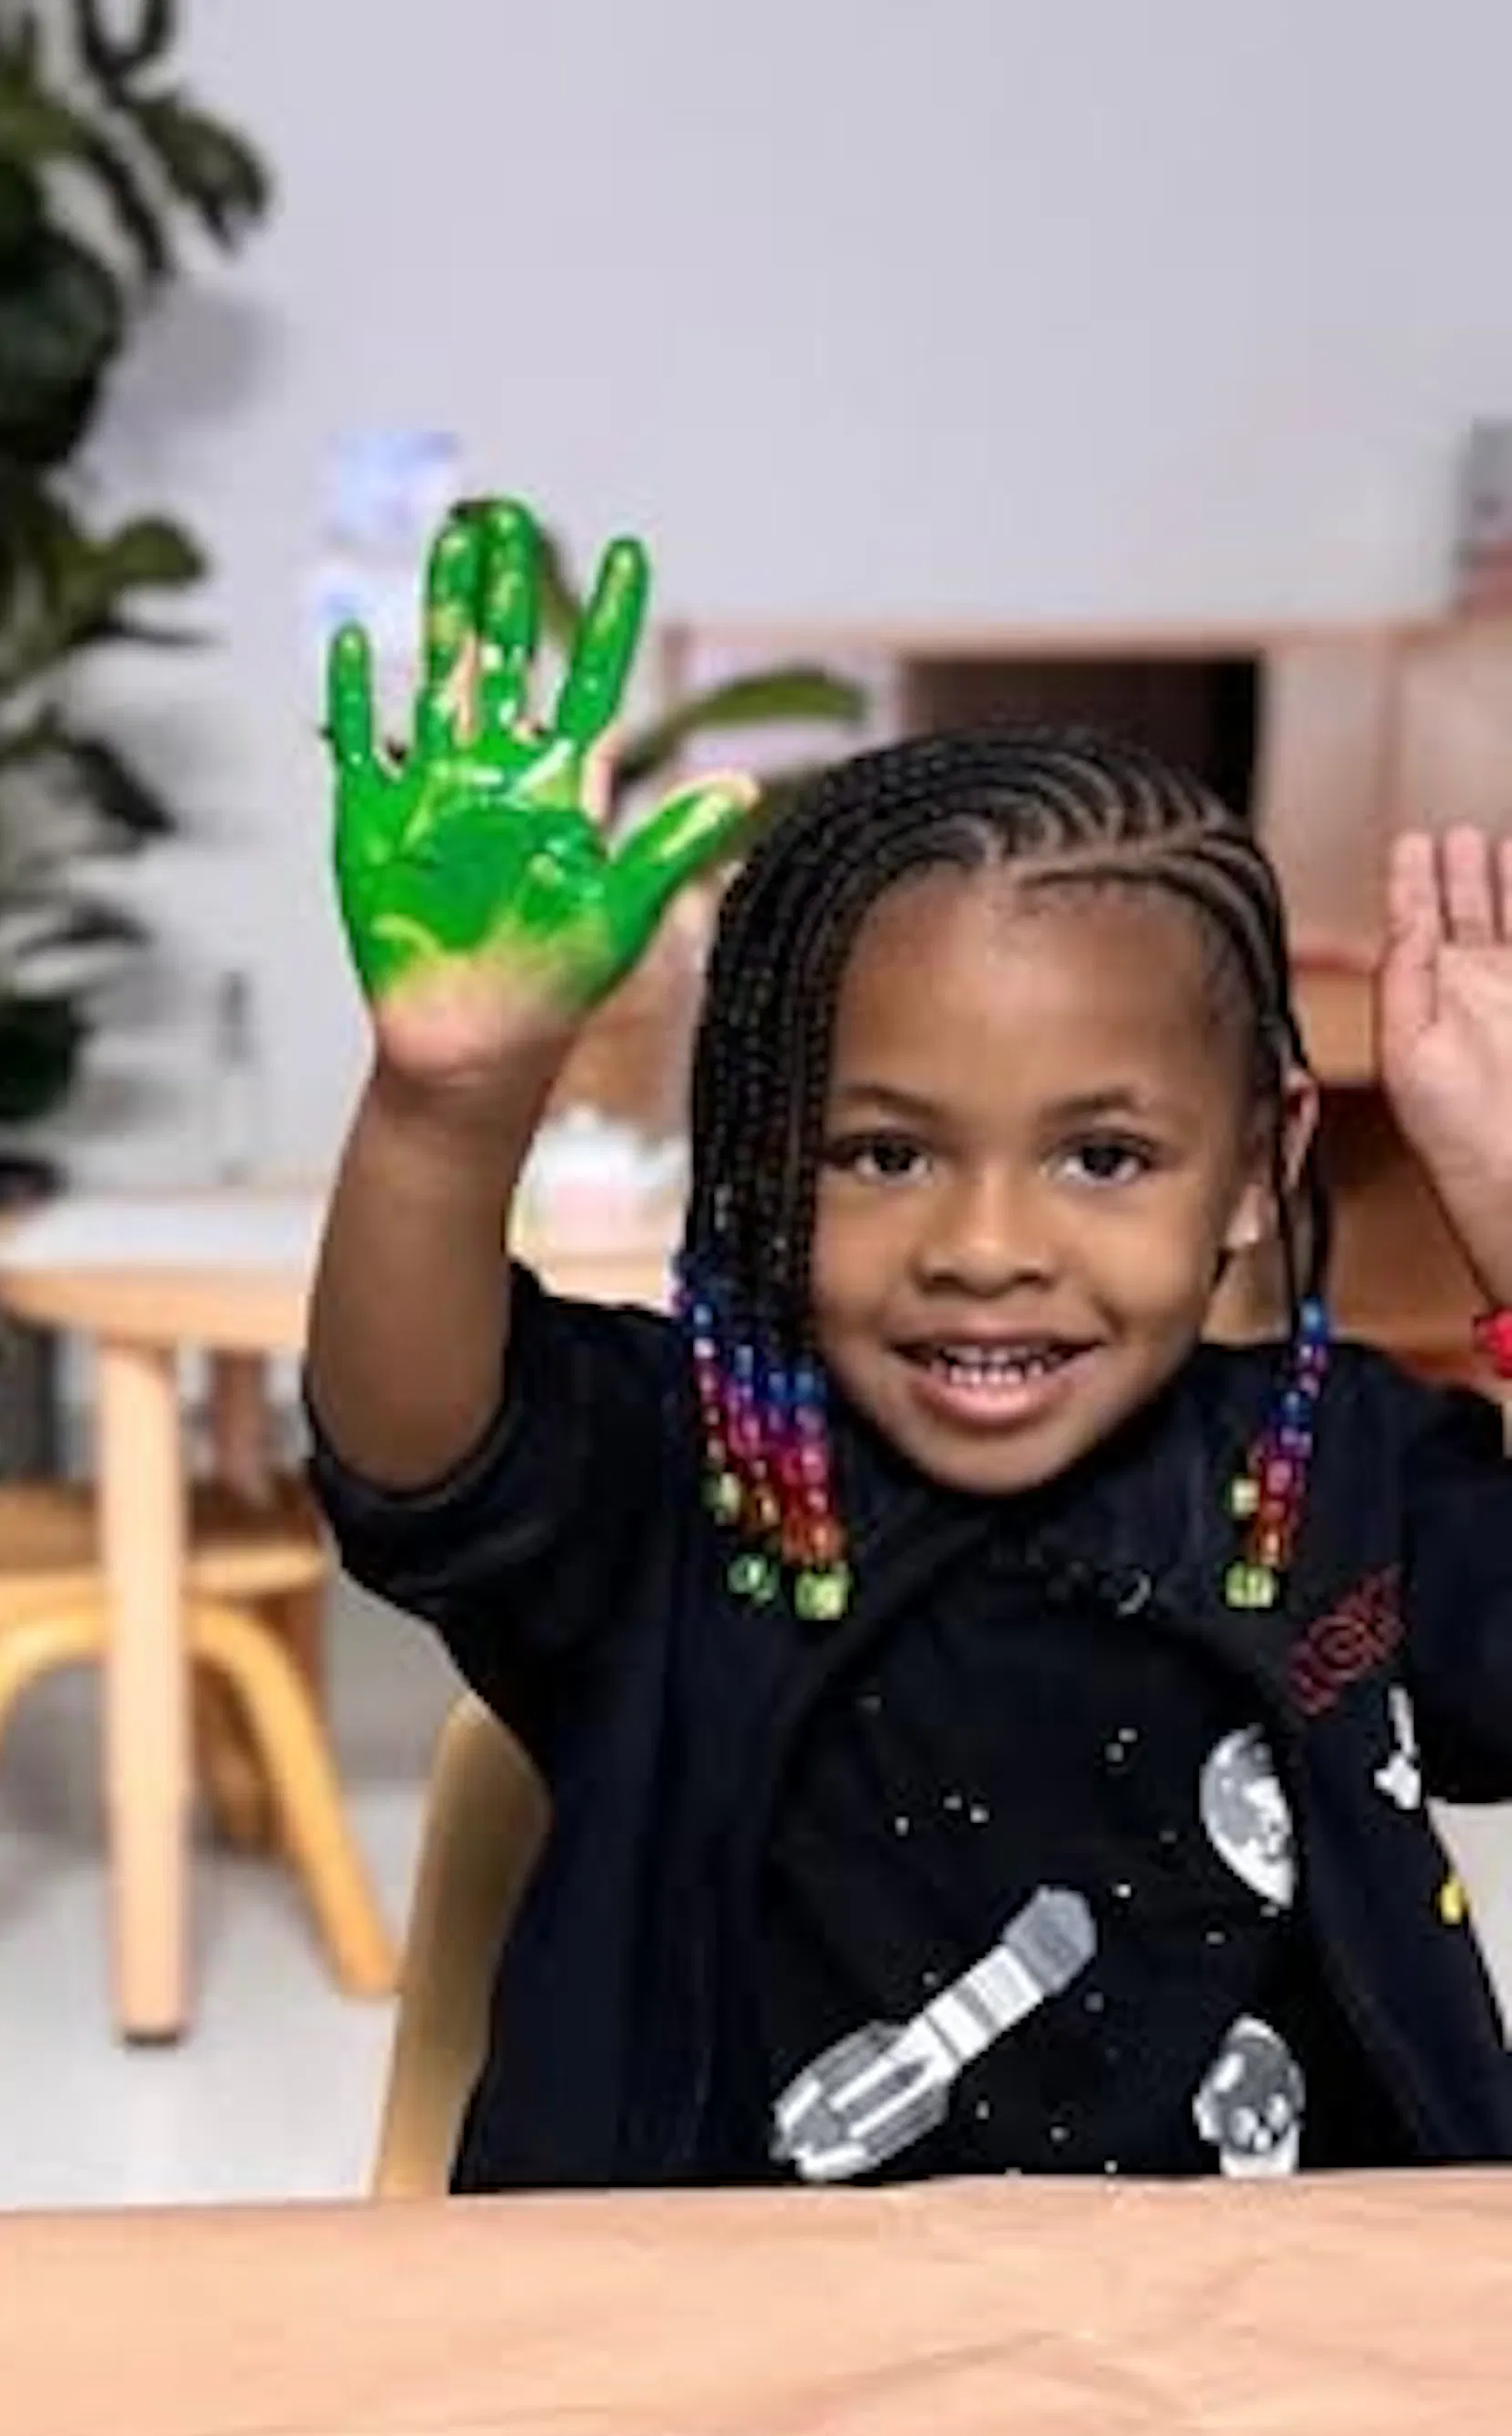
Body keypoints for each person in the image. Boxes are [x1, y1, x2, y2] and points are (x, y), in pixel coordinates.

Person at [306, 495, 1512, 2193]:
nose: (986, 1250)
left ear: (1259, 1168)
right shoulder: (690, 1471)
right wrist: (444, 1112)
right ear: (763, 1155)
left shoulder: (1348, 1474)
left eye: (1105, 1158)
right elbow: (413, 1455)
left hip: (1269, 2336)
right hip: (736, 2343)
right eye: (883, 1155)